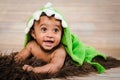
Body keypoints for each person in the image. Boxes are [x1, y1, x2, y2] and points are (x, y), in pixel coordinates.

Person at [15, 2, 107, 74]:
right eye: (44, 29)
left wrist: (35, 70)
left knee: (88, 52)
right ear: (33, 34)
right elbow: (20, 56)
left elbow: (55, 67)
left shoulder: (59, 51)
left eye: (55, 30)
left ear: (62, 34)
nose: (50, 35)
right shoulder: (31, 45)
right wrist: (17, 61)